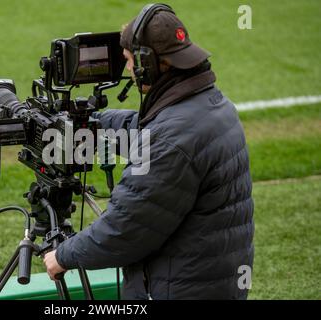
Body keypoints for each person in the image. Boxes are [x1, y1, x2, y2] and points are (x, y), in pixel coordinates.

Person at [43, 3, 254, 299]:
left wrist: (63, 255)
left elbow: (125, 229)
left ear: (148, 63)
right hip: (211, 280)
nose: (128, 69)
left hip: (180, 288)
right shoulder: (211, 103)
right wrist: (94, 124)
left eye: (129, 60)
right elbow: (151, 133)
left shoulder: (170, 138)